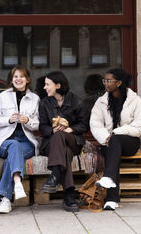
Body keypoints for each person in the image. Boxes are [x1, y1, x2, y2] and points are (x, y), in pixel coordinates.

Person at [90, 68, 141, 210]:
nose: (105, 83)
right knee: (112, 148)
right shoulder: (101, 101)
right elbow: (95, 124)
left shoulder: (135, 100)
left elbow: (139, 126)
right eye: (105, 80)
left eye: (109, 81)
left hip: (130, 141)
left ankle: (111, 193)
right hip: (107, 142)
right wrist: (106, 137)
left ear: (119, 83)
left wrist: (116, 132)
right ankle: (111, 199)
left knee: (115, 142)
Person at [0, 66, 40, 214]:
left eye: (21, 76)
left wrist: (28, 120)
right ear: (11, 80)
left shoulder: (35, 98)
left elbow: (38, 124)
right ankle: (16, 183)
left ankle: (5, 199)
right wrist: (9, 120)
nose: (18, 79)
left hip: (26, 141)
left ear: (28, 80)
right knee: (13, 145)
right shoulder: (2, 96)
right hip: (4, 140)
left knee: (13, 154)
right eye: (15, 76)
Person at [39, 71, 88, 212]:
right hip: (51, 144)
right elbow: (42, 127)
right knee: (64, 151)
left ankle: (54, 175)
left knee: (62, 137)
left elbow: (84, 125)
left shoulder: (76, 101)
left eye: (47, 84)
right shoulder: (44, 103)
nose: (45, 87)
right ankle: (69, 195)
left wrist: (70, 129)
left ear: (58, 85)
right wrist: (53, 131)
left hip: (73, 141)